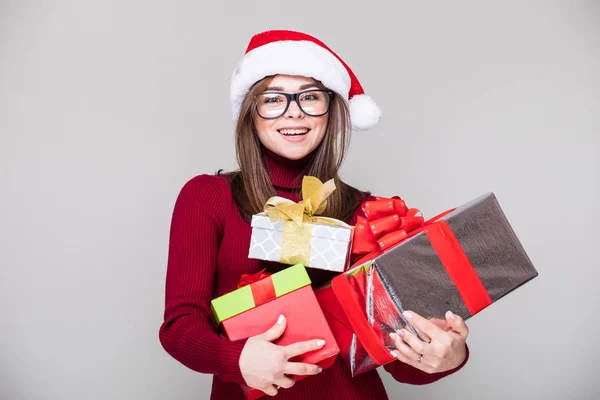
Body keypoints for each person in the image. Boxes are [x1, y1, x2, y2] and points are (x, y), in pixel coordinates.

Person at [159, 30, 470, 400]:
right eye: (273, 99)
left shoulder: (371, 215)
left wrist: (448, 355)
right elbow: (180, 326)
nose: (294, 111)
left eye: (309, 97)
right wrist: (236, 358)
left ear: (331, 110)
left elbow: (397, 360)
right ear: (250, 113)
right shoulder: (208, 198)